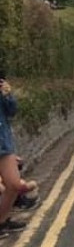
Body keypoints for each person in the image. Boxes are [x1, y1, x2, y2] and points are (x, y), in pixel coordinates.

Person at [0, 78, 27, 234]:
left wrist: (7, 95)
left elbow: (12, 112)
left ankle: (2, 221)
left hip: (3, 145)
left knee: (15, 186)